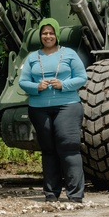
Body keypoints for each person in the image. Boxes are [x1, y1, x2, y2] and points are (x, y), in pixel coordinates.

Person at [19, 18, 89, 203]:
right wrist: (36, 86)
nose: (47, 36)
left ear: (56, 35)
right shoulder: (33, 57)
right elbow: (23, 82)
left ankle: (75, 195)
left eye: (51, 33)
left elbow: (82, 77)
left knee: (68, 147)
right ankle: (51, 194)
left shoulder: (69, 54)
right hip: (39, 108)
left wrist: (63, 84)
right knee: (48, 150)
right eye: (44, 33)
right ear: (40, 36)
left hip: (67, 105)